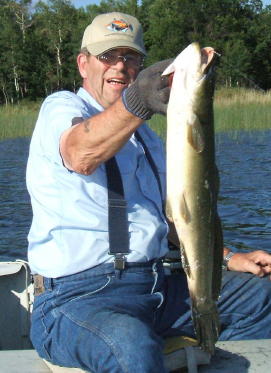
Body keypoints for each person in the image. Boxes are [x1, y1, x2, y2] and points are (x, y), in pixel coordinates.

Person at [26, 11, 271, 373]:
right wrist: (136, 103)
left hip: (158, 287)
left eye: (131, 58)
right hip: (77, 300)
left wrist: (226, 257)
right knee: (130, 344)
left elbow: (175, 217)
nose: (120, 66)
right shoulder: (61, 109)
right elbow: (80, 153)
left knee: (261, 299)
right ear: (83, 64)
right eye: (107, 56)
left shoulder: (147, 137)